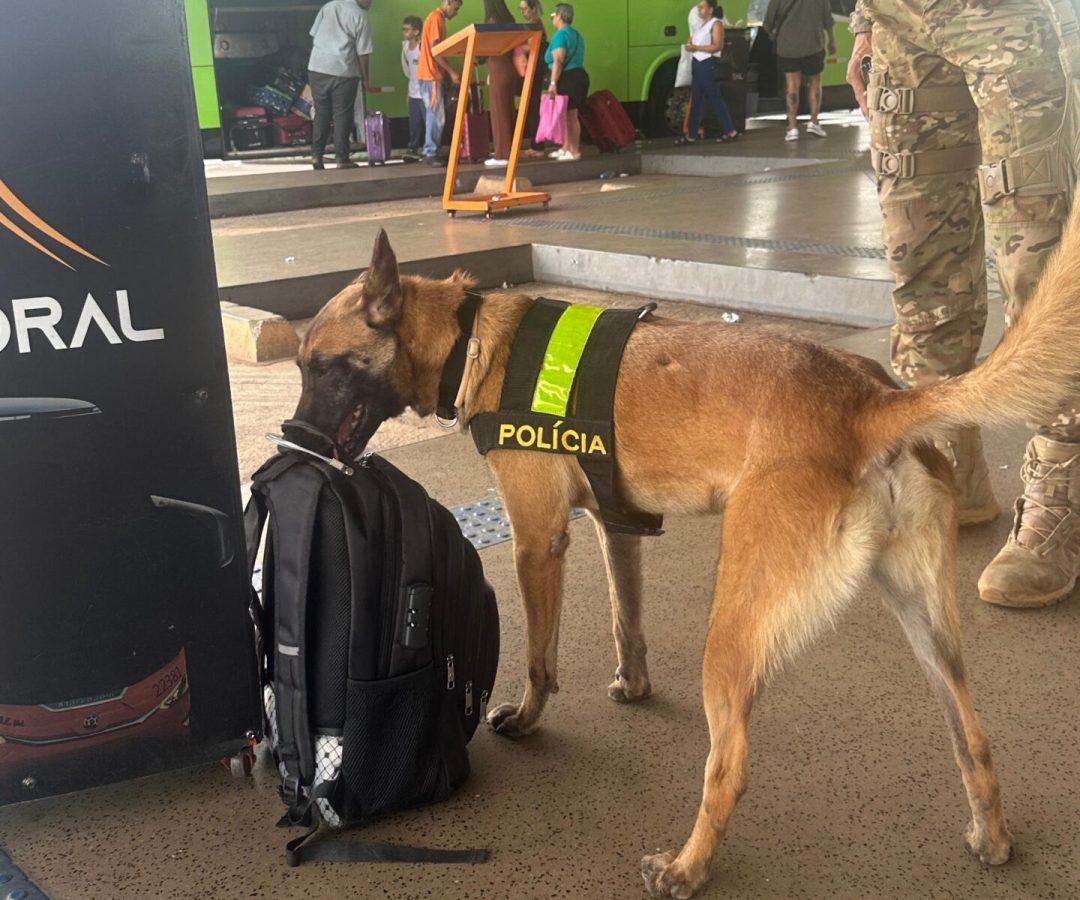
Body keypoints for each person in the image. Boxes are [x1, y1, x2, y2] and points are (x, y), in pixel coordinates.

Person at [845, 0, 1080, 608]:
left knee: (1038, 257)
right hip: (901, 20)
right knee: (919, 251)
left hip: (1010, 16)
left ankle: (1061, 486)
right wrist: (867, 21)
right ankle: (949, 461)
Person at [307, 0, 373, 170]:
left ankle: (316, 156)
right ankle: (342, 159)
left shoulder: (329, 7)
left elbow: (315, 34)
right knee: (342, 115)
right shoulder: (360, 16)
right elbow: (363, 53)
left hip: (317, 68)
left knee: (322, 112)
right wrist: (366, 79)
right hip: (343, 72)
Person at [763, 0, 835, 141]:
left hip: (788, 48)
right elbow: (828, 20)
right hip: (813, 46)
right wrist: (832, 41)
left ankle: (792, 128)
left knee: (792, 87)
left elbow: (768, 22)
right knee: (815, 83)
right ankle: (814, 122)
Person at [675, 0, 739, 145]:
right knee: (697, 99)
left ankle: (730, 130)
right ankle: (691, 135)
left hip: (707, 63)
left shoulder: (716, 24)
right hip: (697, 64)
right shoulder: (701, 25)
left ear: (710, 9)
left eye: (703, 7)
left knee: (714, 97)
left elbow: (717, 46)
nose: (699, 10)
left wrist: (696, 48)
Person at [417, 0, 464, 167]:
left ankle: (431, 150)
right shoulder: (436, 18)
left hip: (429, 75)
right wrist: (451, 72)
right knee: (436, 116)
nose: (456, 13)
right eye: (456, 8)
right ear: (448, 3)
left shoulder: (436, 18)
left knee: (434, 114)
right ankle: (430, 152)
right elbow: (435, 51)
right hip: (431, 75)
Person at [545, 3, 588, 160]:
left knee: (570, 116)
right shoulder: (576, 34)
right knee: (566, 115)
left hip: (568, 78)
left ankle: (574, 151)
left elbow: (558, 60)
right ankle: (566, 148)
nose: (552, 20)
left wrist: (553, 83)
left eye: (553, 16)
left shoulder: (560, 35)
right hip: (579, 76)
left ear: (559, 17)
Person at [483, 0, 518, 167]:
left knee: (498, 114)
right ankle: (509, 150)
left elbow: (487, 46)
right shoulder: (509, 19)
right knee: (508, 111)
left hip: (497, 68)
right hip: (510, 68)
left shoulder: (492, 20)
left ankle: (501, 154)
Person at [516, 0, 549, 157]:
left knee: (532, 109)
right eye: (521, 9)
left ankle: (537, 147)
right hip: (537, 70)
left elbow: (532, 47)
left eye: (525, 9)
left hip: (534, 72)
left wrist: (514, 46)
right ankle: (536, 145)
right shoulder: (538, 24)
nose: (523, 12)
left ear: (533, 8)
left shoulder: (534, 25)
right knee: (533, 108)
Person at [401, 15, 425, 157]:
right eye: (403, 30)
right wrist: (408, 93)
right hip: (413, 91)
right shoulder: (405, 48)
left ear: (416, 32)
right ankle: (413, 148)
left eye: (407, 30)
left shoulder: (422, 47)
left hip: (425, 91)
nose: (405, 32)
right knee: (414, 123)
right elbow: (409, 72)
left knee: (429, 122)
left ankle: (431, 149)